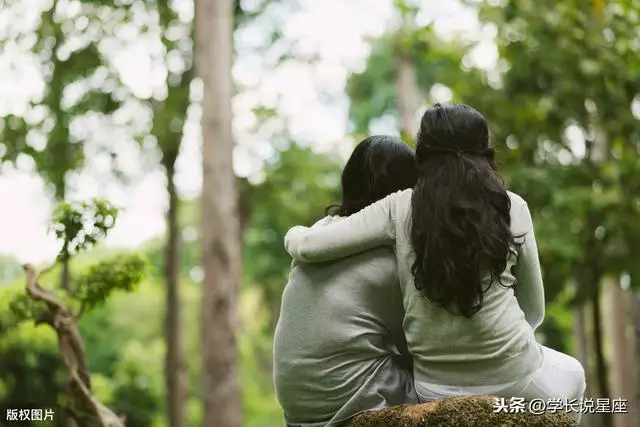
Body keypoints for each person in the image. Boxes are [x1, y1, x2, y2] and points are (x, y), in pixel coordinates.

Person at [284, 104, 586, 423]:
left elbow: (308, 246)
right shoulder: (511, 207)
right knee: (574, 375)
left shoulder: (399, 208)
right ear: (485, 152)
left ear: (422, 156)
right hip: (514, 378)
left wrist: (296, 232)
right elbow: (533, 309)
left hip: (433, 388)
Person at [273, 135, 419, 427]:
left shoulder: (320, 232)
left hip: (297, 411)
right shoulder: (388, 259)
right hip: (352, 406)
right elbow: (417, 343)